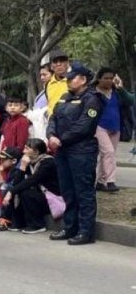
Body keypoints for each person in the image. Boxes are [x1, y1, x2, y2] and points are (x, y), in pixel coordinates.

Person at [47, 61, 104, 245]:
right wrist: (51, 135)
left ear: (83, 80)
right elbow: (53, 118)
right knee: (68, 191)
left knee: (84, 191)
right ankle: (70, 227)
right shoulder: (65, 97)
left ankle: (86, 231)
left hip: (81, 151)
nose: (69, 81)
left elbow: (84, 126)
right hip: (62, 151)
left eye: (72, 78)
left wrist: (61, 139)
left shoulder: (92, 99)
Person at [0, 138, 60, 234]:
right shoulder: (29, 162)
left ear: (36, 151)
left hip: (52, 197)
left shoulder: (48, 163)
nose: (24, 151)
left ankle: (37, 225)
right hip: (40, 195)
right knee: (16, 190)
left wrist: (11, 192)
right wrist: (22, 167)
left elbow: (33, 180)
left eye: (27, 149)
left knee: (25, 193)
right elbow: (16, 183)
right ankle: (19, 222)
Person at [94, 68, 134, 192]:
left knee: (107, 156)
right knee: (108, 152)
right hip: (99, 126)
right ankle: (110, 181)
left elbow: (130, 101)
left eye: (111, 78)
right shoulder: (93, 92)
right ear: (99, 78)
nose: (109, 81)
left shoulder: (116, 92)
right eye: (106, 78)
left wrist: (120, 87)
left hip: (115, 127)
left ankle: (100, 182)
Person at [45, 49, 70, 116]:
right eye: (55, 62)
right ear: (51, 66)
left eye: (62, 60)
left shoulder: (73, 81)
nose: (59, 64)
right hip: (52, 123)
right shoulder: (48, 83)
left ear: (68, 63)